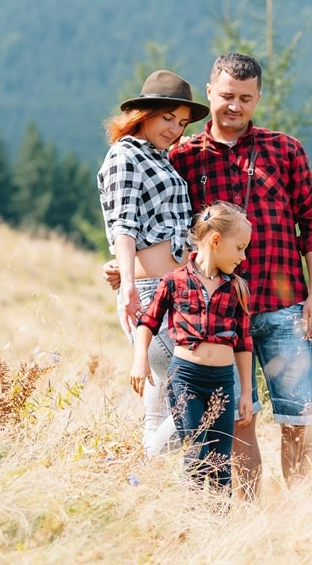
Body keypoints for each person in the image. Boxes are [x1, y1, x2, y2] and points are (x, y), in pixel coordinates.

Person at [106, 52, 312, 496]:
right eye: (227, 95)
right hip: (220, 311)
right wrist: (127, 264)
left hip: (284, 305)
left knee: (299, 415)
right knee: (237, 418)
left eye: (246, 98)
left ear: (258, 98)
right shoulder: (182, 157)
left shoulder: (284, 150)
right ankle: (248, 516)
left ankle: (304, 513)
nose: (235, 106)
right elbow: (157, 220)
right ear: (210, 93)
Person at [97, 69, 210, 456]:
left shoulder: (159, 158)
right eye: (167, 118)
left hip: (176, 290)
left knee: (161, 401)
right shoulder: (124, 155)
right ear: (144, 113)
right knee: (201, 396)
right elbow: (123, 224)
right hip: (149, 292)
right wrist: (127, 283)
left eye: (181, 123)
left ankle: (145, 496)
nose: (175, 129)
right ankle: (140, 473)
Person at [130, 201, 254, 489]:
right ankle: (192, 516)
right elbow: (148, 322)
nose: (243, 256)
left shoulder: (236, 287)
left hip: (223, 382)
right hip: (186, 378)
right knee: (196, 451)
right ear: (216, 240)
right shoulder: (174, 281)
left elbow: (244, 341)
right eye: (239, 248)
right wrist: (140, 360)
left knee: (221, 457)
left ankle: (220, 520)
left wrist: (246, 391)